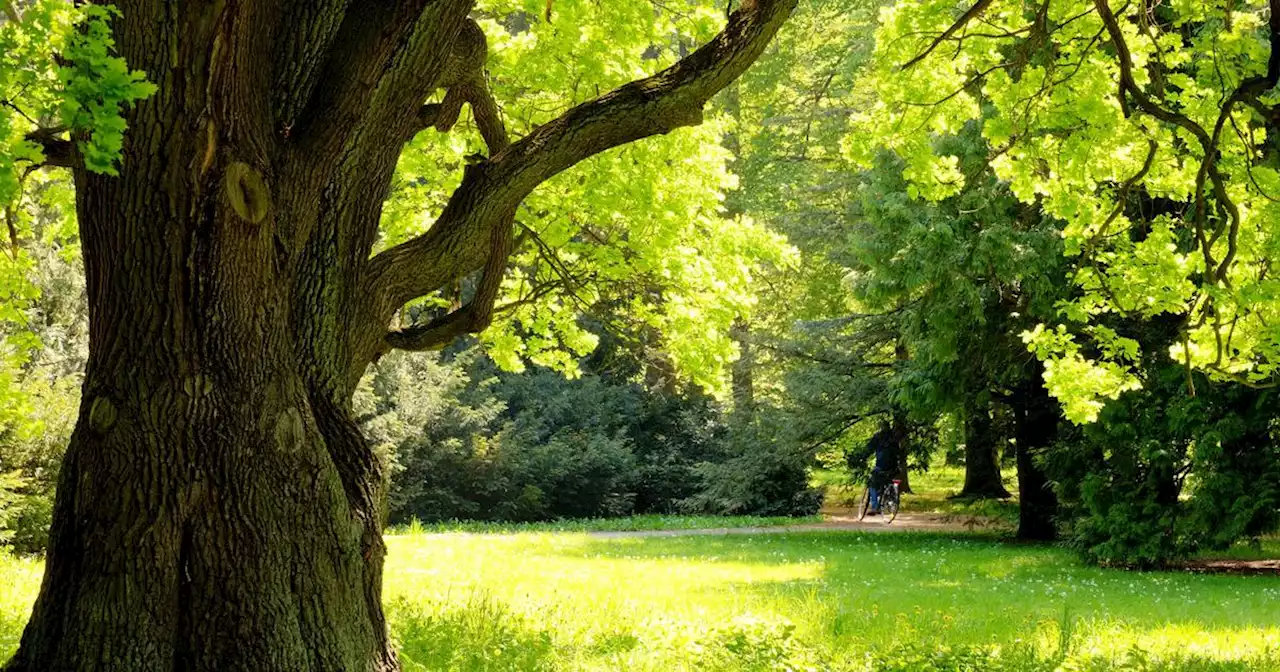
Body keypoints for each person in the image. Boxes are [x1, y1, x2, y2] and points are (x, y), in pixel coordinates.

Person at [851, 421, 895, 515]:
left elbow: (869, 449)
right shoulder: (894, 437)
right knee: (888, 481)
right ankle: (890, 500)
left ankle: (874, 506)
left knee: (872, 483)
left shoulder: (878, 437)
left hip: (881, 466)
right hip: (894, 467)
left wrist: (861, 457)